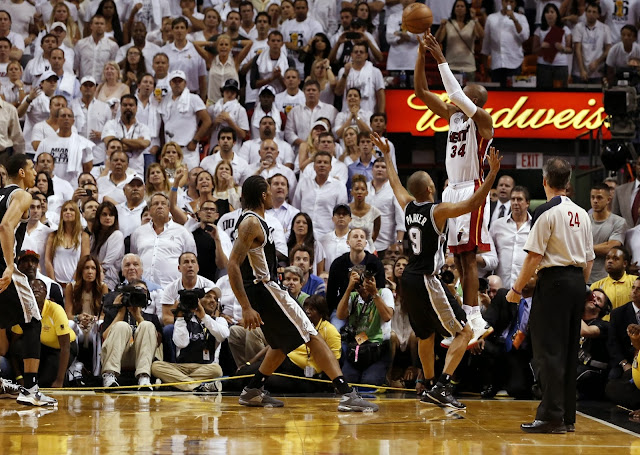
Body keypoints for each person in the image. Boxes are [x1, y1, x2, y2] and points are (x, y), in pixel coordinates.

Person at [372, 131, 501, 410]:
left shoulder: (408, 206)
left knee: (425, 335)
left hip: (408, 279)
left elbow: (394, 182)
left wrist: (387, 155)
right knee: (464, 333)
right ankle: (442, 387)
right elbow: (472, 204)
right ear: (430, 188)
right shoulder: (437, 210)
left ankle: (428, 385)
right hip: (427, 279)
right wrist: (491, 175)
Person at [227, 175, 378, 411]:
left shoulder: (253, 221)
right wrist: (245, 306)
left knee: (280, 344)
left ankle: (253, 391)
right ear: (264, 195)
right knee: (311, 334)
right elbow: (233, 264)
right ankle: (346, 394)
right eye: (269, 190)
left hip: (264, 289)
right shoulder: (250, 223)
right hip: (265, 288)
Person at [415, 33, 495, 346]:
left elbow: (455, 93)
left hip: (473, 191)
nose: (453, 100)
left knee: (470, 258)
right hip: (453, 191)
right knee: (459, 260)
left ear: (473, 100)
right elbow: (421, 91)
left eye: (463, 96)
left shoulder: (484, 121)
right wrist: (421, 55)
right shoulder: (453, 117)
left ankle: (475, 317)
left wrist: (440, 58)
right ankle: (466, 318)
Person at [505, 157, 594, 433]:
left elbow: (534, 257)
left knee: (548, 352)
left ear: (545, 181)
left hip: (553, 283)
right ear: (567, 183)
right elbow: (589, 259)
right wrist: (578, 286)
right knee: (568, 351)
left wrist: (516, 290)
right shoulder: (582, 213)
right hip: (577, 283)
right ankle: (567, 417)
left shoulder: (546, 211)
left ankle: (550, 416)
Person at [0, 154, 57, 406]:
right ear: (22, 173)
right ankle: (31, 389)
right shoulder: (22, 195)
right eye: (32, 168)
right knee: (33, 320)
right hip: (4, 267)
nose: (36, 172)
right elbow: (5, 226)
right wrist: (10, 265)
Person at [151, 287, 229, 392]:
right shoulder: (184, 319)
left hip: (204, 368)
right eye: (208, 297)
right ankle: (197, 386)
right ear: (198, 300)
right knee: (156, 366)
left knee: (217, 370)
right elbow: (181, 343)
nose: (212, 301)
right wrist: (180, 318)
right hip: (180, 367)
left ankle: (175, 383)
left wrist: (204, 317)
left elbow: (223, 335)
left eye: (215, 299)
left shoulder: (219, 321)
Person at [11, 278, 77, 388]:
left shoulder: (55, 310)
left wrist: (59, 381)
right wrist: (19, 376)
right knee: (19, 346)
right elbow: (13, 347)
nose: (36, 289)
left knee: (45, 382)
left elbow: (65, 347)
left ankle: (66, 374)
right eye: (32, 288)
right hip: (42, 347)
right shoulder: (24, 311)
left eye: (40, 288)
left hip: (62, 348)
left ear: (46, 293)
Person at [100, 279, 162, 389]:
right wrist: (120, 313)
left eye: (143, 291)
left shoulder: (151, 318)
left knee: (146, 325)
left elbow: (156, 343)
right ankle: (110, 374)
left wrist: (139, 317)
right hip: (118, 356)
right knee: (121, 326)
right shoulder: (114, 313)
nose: (139, 294)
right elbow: (105, 337)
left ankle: (144, 376)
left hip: (141, 358)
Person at [130, 193, 197, 287]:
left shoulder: (183, 232)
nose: (160, 206)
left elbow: (192, 261)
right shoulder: (138, 232)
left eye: (163, 204)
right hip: (142, 289)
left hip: (172, 289)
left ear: (169, 208)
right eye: (156, 204)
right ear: (149, 209)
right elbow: (134, 259)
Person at [64, 254, 108, 379]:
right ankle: (73, 368)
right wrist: (78, 318)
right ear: (80, 270)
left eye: (93, 268)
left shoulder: (103, 287)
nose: (90, 272)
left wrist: (93, 319)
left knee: (100, 325)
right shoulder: (71, 287)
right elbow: (68, 315)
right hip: (78, 326)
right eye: (86, 268)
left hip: (94, 326)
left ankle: (97, 372)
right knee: (70, 324)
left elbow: (105, 314)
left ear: (97, 271)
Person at [159, 70, 211, 169]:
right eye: (174, 81)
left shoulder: (193, 98)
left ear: (185, 83)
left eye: (180, 81)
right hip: (170, 151)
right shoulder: (165, 100)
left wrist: (195, 141)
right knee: (171, 180)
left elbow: (207, 121)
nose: (177, 84)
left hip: (187, 149)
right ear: (170, 83)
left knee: (190, 179)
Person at [489, 186, 532, 289]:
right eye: (513, 199)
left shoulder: (535, 226)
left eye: (519, 199)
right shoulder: (497, 225)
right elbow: (489, 253)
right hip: (501, 287)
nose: (515, 203)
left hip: (526, 288)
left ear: (527, 203)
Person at [481, 0, 530, 87]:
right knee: (497, 94)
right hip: (497, 63)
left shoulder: (521, 18)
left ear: (515, 4)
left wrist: (514, 20)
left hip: (514, 62)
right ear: (502, 2)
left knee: (513, 94)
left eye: (511, 2)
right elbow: (486, 42)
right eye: (506, 1)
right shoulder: (491, 18)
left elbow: (525, 37)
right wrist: (485, 65)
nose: (508, 4)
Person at [433, 0, 483, 82]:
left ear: (467, 9)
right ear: (454, 9)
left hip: (469, 66)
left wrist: (475, 19)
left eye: (462, 6)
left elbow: (481, 36)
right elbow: (438, 40)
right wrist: (441, 26)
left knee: (469, 93)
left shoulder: (472, 23)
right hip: (451, 65)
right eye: (457, 6)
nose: (459, 8)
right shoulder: (448, 23)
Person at [102, 94, 151, 175]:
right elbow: (110, 144)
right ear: (120, 107)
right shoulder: (110, 124)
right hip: (113, 172)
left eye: (131, 105)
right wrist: (136, 143)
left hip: (136, 172)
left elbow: (144, 144)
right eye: (125, 105)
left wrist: (119, 140)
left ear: (136, 108)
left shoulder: (143, 127)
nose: (128, 107)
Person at [44, 200, 91, 285]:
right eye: (65, 210)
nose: (68, 212)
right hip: (56, 282)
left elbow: (84, 261)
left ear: (77, 213)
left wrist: (72, 282)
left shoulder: (84, 236)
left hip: (76, 283)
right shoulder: (53, 235)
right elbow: (48, 260)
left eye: (71, 209)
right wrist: (54, 283)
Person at [588, 182, 627, 283]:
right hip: (585, 276)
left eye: (599, 198)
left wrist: (586, 247)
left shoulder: (619, 222)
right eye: (592, 197)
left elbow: (611, 248)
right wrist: (603, 244)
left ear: (608, 200)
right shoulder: (584, 220)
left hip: (606, 278)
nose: (595, 201)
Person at [366, 158, 405, 258]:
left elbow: (401, 219)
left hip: (386, 246)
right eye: (377, 166)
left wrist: (399, 242)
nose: (380, 169)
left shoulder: (394, 190)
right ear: (372, 169)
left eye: (383, 167)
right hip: (365, 244)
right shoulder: (363, 188)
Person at [532, 3, 572, 89]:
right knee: (543, 93)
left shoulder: (565, 29)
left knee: (561, 94)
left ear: (557, 14)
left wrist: (562, 49)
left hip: (560, 66)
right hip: (543, 66)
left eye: (552, 12)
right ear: (544, 15)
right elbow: (534, 50)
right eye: (547, 12)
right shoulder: (539, 30)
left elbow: (570, 49)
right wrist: (541, 47)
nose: (549, 14)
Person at [572, 2, 611, 83]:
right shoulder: (578, 27)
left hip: (597, 72)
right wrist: (582, 70)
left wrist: (597, 62)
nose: (591, 14)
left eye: (594, 12)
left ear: (598, 15)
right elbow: (577, 50)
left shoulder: (605, 28)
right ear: (585, 13)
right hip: (579, 72)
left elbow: (608, 49)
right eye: (589, 11)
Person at [91, 201, 125, 290]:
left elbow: (107, 264)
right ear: (98, 216)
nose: (108, 217)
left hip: (108, 281)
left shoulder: (117, 235)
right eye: (104, 214)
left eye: (111, 215)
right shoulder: (94, 236)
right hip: (91, 279)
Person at [75, 15, 119, 83]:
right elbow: (75, 65)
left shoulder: (112, 46)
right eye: (96, 23)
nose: (99, 26)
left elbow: (114, 66)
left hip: (103, 84)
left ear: (105, 27)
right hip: (84, 83)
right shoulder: (80, 44)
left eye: (102, 24)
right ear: (91, 26)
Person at [319, 203, 352, 270]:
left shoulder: (356, 238)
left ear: (350, 219)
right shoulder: (323, 240)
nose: (341, 216)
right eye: (338, 214)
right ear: (333, 218)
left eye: (344, 214)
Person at [612, 155, 640, 229]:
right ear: (635, 167)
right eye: (639, 164)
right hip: (625, 238)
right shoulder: (620, 190)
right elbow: (614, 219)